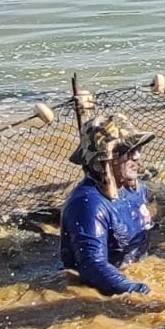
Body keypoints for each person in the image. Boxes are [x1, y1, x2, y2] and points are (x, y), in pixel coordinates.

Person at [60, 113, 157, 298]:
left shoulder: (134, 188)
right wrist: (139, 291)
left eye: (137, 148)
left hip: (132, 268)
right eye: (127, 151)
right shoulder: (87, 205)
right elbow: (92, 267)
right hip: (101, 288)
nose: (137, 157)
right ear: (103, 159)